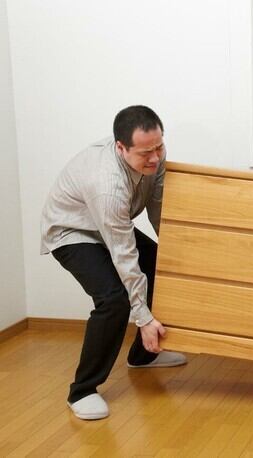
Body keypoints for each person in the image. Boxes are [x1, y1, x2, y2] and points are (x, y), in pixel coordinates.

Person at [40, 105, 187, 420]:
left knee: (160, 269)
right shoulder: (106, 185)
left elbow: (159, 209)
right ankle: (82, 390)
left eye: (159, 147)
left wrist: (176, 257)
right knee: (113, 300)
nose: (155, 157)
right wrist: (143, 319)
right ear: (121, 148)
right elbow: (124, 255)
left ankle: (143, 356)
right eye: (145, 153)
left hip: (108, 224)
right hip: (72, 230)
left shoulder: (154, 155)